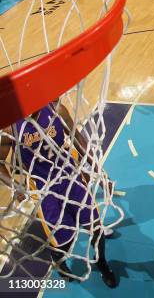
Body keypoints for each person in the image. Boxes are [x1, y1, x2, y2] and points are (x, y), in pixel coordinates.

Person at [0, 100, 117, 288]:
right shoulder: (10, 126)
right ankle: (60, 264)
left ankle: (101, 262)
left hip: (70, 177)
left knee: (96, 226)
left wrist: (99, 171)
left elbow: (77, 139)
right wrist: (15, 185)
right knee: (61, 240)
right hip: (44, 189)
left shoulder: (56, 109)